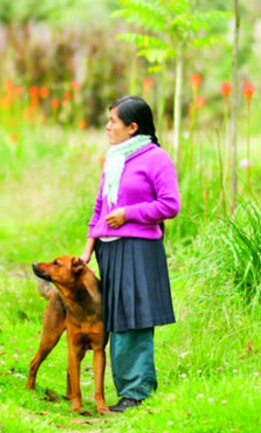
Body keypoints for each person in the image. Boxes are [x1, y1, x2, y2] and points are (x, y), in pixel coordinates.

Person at [79, 95, 180, 412]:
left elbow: (170, 205)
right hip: (108, 250)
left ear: (133, 127)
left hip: (139, 247)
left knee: (134, 318)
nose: (108, 126)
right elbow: (100, 206)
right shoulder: (115, 158)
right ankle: (129, 389)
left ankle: (136, 392)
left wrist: (129, 214)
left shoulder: (156, 159)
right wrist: (87, 250)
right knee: (116, 317)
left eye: (113, 121)